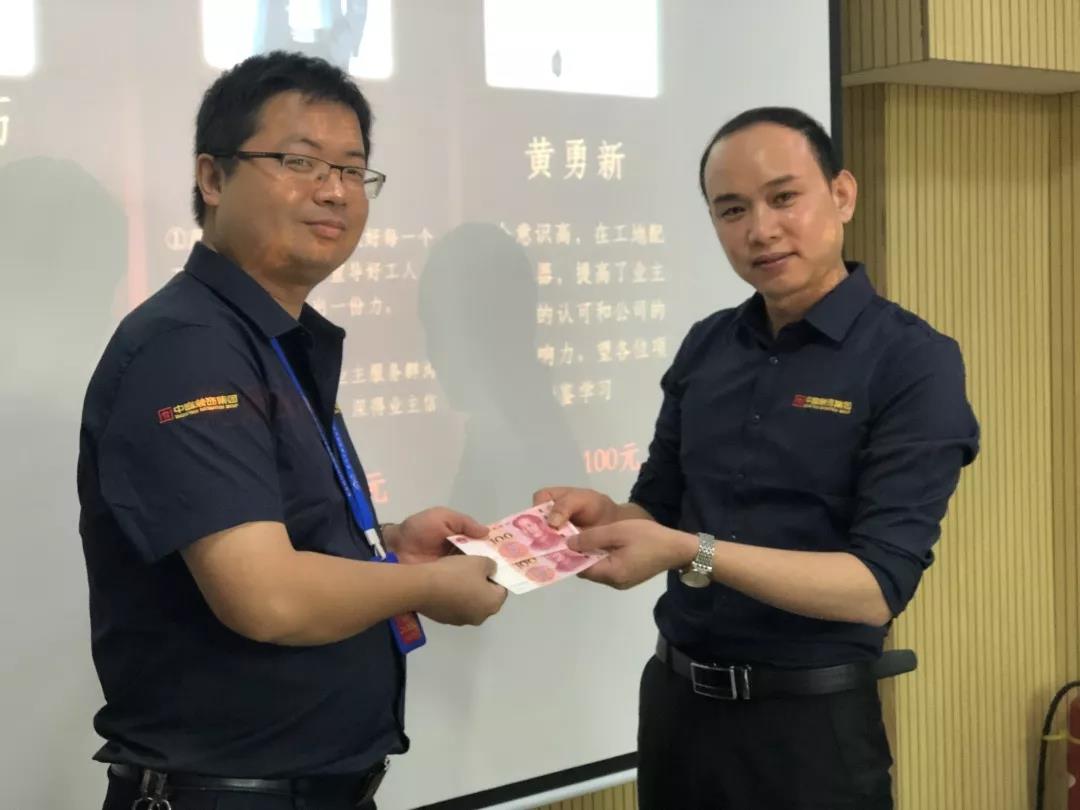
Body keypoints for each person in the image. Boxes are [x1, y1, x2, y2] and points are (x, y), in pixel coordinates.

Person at [78, 51, 506, 810]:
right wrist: (423, 585)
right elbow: (264, 594)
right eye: (300, 161)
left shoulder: (267, 336)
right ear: (212, 179)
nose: (334, 190)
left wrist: (390, 544)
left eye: (353, 169)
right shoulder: (189, 347)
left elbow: (275, 533)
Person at [535, 107, 979, 810]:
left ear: (842, 194)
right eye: (732, 209)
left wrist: (692, 551)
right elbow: (658, 507)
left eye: (783, 197)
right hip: (677, 710)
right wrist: (606, 517)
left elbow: (874, 586)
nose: (761, 230)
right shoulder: (707, 344)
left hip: (809, 734)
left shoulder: (913, 361)